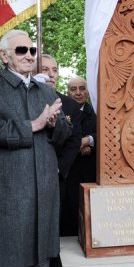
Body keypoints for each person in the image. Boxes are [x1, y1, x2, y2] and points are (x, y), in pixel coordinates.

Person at [0, 30, 72, 267]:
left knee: (40, 266)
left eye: (32, 51)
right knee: (4, 265)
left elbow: (63, 133)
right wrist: (34, 124)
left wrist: (55, 124)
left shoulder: (47, 91)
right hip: (7, 192)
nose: (29, 55)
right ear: (4, 56)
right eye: (21, 50)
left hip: (44, 193)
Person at [38, 55, 82, 237]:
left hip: (58, 175)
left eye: (54, 70)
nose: (51, 75)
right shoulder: (24, 98)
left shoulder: (70, 104)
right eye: (45, 70)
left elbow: (74, 140)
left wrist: (59, 168)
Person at [63, 76, 97, 236]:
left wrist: (89, 140)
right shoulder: (60, 112)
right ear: (67, 93)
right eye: (73, 89)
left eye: (82, 88)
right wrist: (80, 144)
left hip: (91, 172)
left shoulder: (97, 112)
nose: (78, 93)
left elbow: (105, 134)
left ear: (88, 92)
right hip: (69, 173)